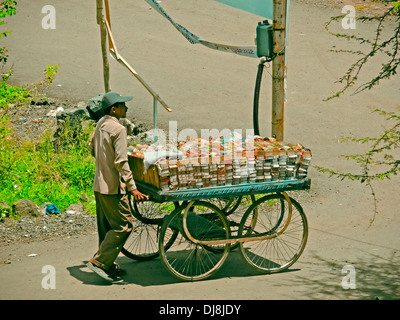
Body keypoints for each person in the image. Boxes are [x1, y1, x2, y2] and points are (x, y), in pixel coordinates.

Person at [86, 91, 148, 281]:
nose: (126, 108)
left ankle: (108, 265)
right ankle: (100, 262)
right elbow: (121, 162)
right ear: (114, 109)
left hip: (99, 184)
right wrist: (132, 187)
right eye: (123, 105)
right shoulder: (118, 129)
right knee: (124, 225)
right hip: (112, 187)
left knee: (106, 227)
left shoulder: (100, 124)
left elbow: (91, 149)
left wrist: (104, 162)